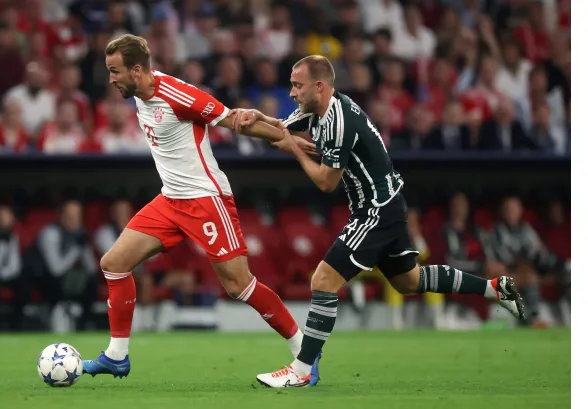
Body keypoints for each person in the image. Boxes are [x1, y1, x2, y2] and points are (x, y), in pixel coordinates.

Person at [230, 55, 525, 388]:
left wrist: (293, 150)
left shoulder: (339, 121)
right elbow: (285, 128)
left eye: (297, 85)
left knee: (323, 280)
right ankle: (493, 289)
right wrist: (258, 117)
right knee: (409, 281)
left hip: (375, 209)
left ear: (319, 86)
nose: (292, 92)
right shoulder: (321, 108)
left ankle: (302, 369)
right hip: (389, 204)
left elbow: (326, 182)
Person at [82, 34, 318, 382]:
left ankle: (304, 350)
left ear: (136, 70)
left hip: (206, 200)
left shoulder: (177, 94)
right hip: (170, 200)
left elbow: (238, 121)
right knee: (114, 264)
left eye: (115, 72)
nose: (111, 79)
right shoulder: (138, 91)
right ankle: (117, 356)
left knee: (238, 285)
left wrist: (288, 140)